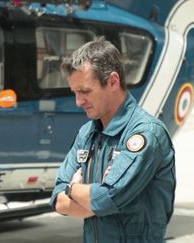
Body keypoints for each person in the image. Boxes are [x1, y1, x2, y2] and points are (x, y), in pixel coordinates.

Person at [49, 37, 176, 243]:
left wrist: (73, 189)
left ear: (113, 81)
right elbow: (57, 199)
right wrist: (91, 199)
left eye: (85, 91)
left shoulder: (146, 134)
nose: (78, 101)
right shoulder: (87, 133)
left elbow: (107, 199)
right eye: (74, 92)